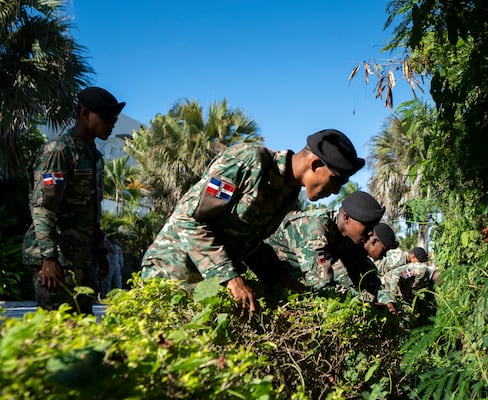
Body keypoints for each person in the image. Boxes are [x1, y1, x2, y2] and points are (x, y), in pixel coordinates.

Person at [141, 129, 365, 312]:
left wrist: (282, 279)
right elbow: (189, 219)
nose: (336, 191)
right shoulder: (249, 161)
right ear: (315, 164)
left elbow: (249, 244)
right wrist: (230, 277)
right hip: (173, 270)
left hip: (209, 283)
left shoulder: (288, 195)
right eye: (336, 181)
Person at [22, 86, 125, 314]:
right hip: (57, 262)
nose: (112, 124)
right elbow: (43, 206)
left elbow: (90, 210)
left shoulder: (94, 156)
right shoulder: (58, 151)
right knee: (58, 334)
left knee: (82, 335)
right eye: (107, 117)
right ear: (85, 113)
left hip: (82, 260)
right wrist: (49, 258)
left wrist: (100, 251)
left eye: (114, 119)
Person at [260, 191, 393, 305]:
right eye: (367, 226)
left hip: (296, 281)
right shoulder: (315, 228)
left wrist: (386, 299)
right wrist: (363, 301)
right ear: (347, 218)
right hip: (271, 276)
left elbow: (366, 272)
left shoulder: (350, 237)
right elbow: (322, 285)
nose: (371, 233)